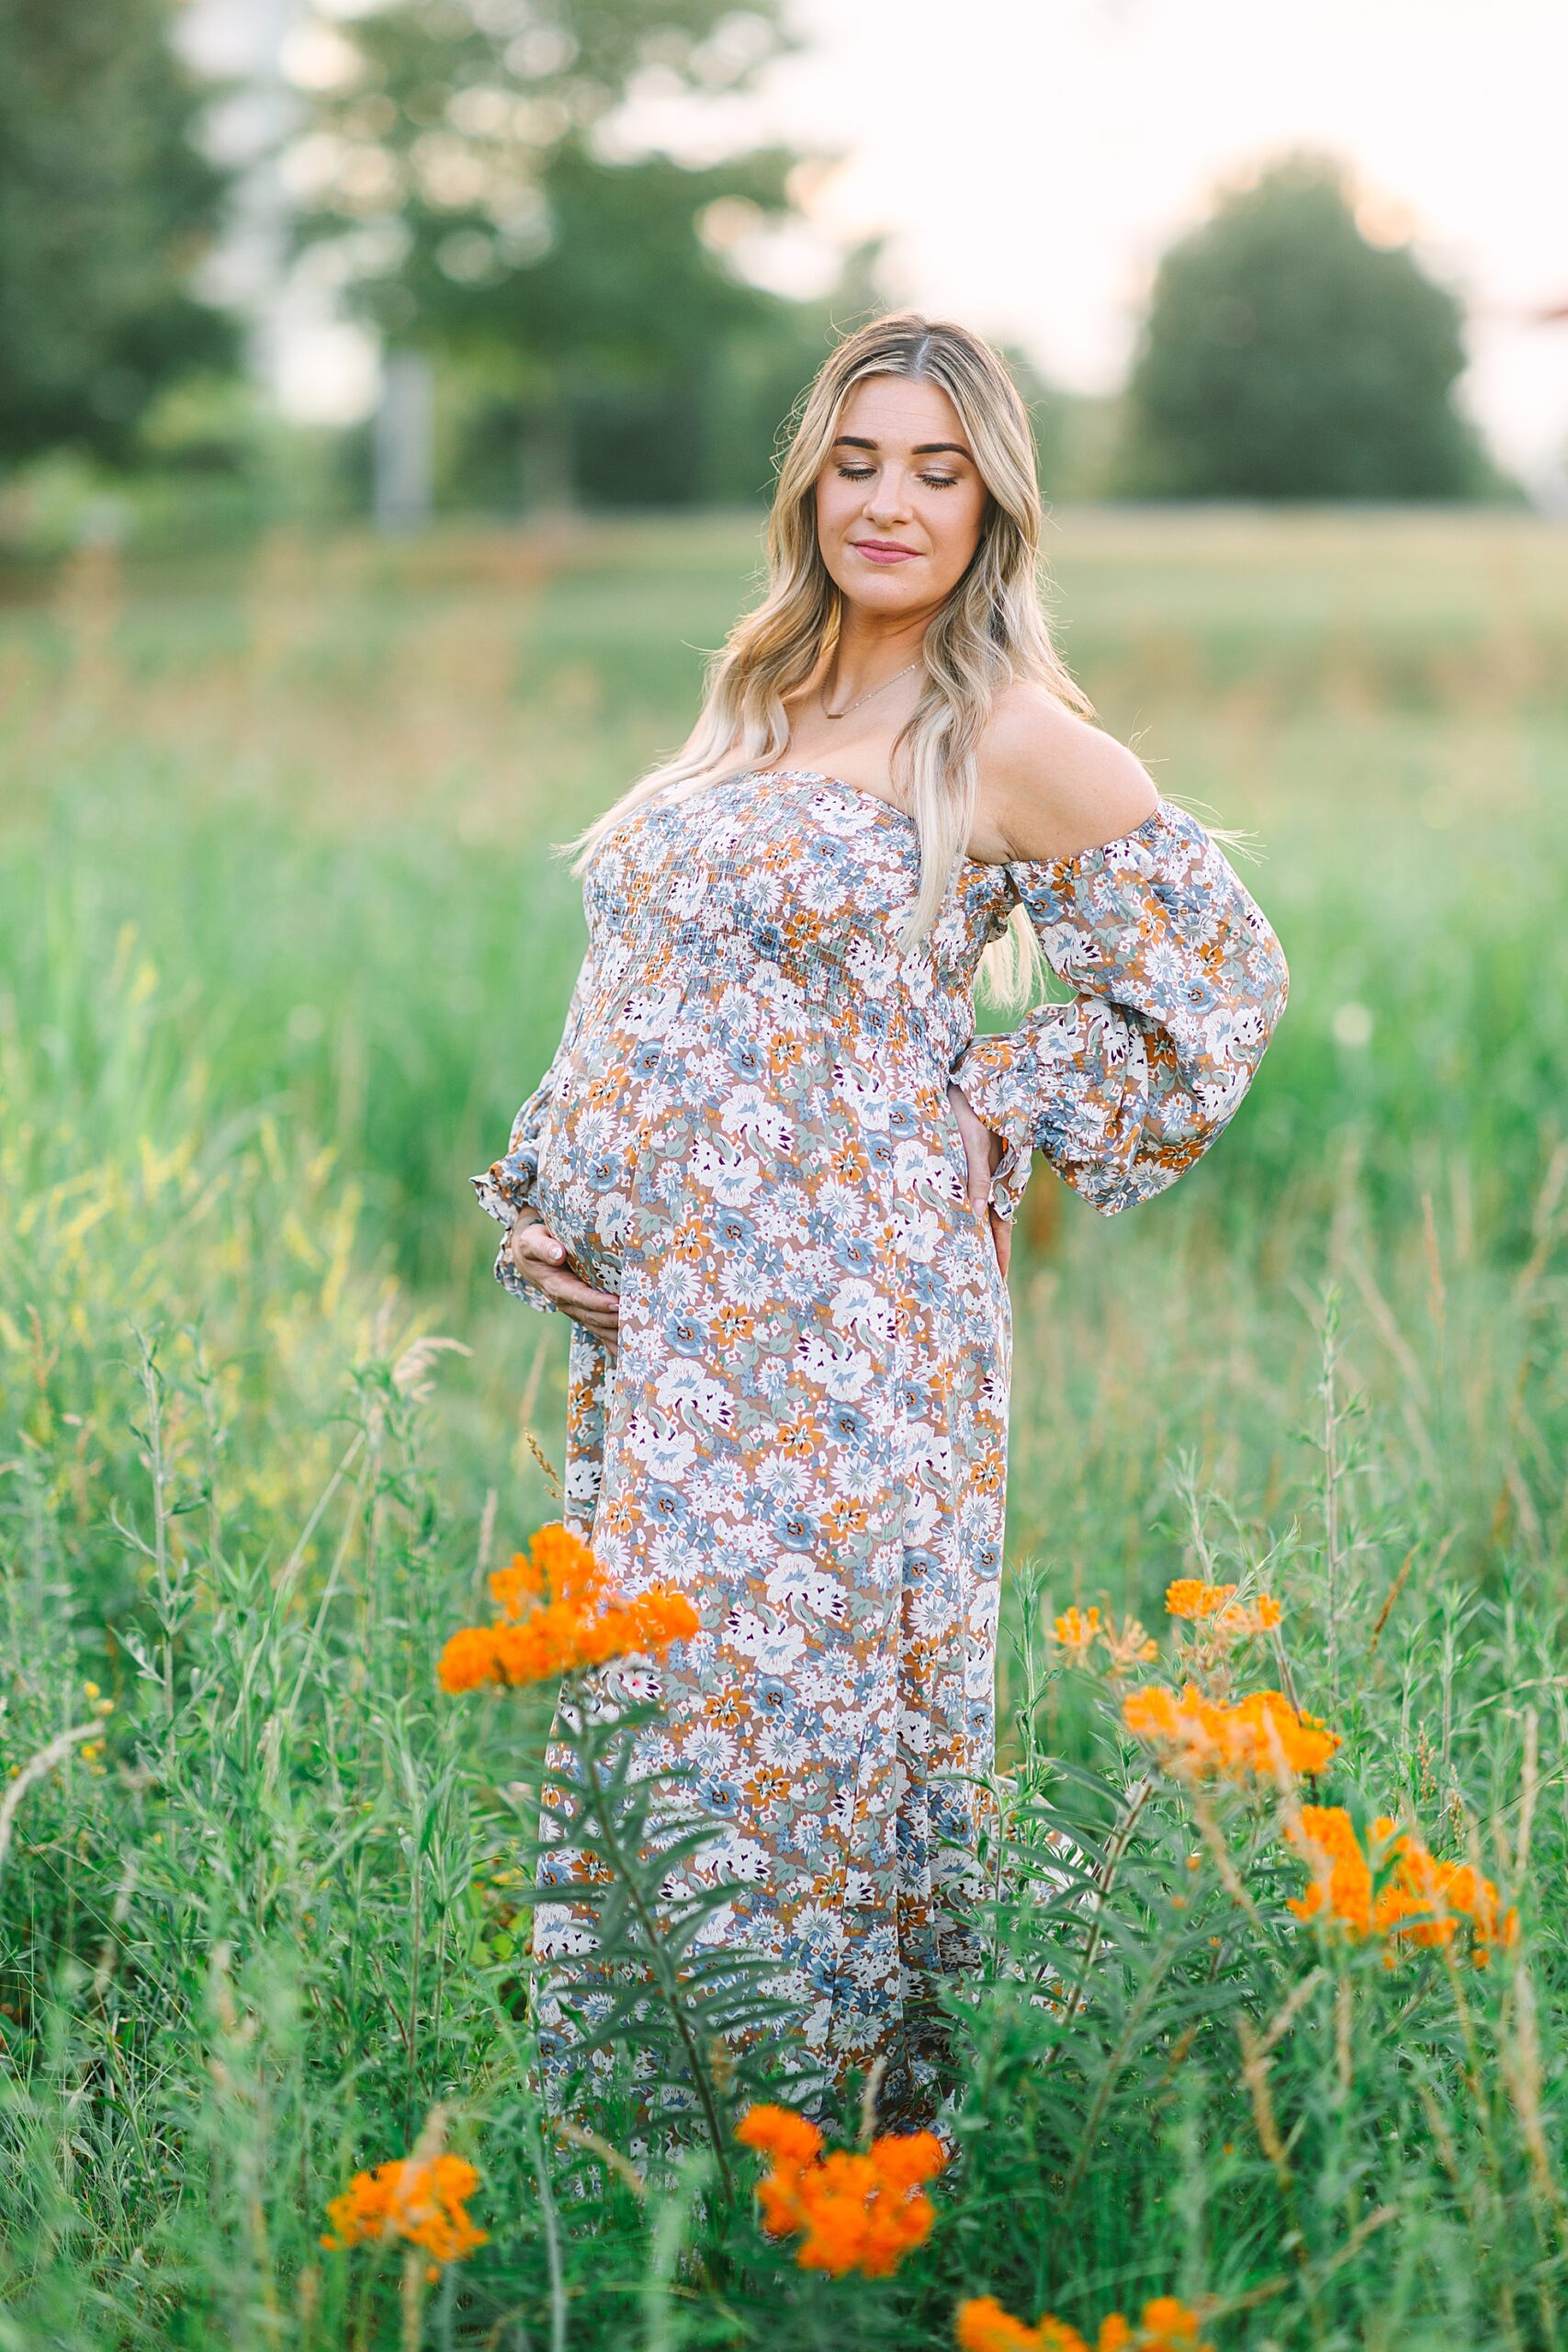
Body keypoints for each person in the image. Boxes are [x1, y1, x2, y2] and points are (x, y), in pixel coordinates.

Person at [473, 311, 1289, 2120]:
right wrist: (557, 1194)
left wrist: (977, 1104)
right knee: (659, 1736)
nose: (888, 502)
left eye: (934, 468)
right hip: (670, 1350)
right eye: (856, 460)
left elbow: (1215, 987)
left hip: (847, 1355)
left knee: (795, 1741)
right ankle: (657, 2178)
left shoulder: (994, 731)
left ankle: (834, 2170)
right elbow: (654, 979)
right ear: (807, 480)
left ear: (990, 498)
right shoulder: (759, 695)